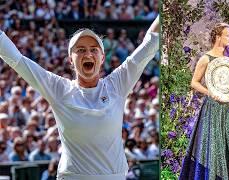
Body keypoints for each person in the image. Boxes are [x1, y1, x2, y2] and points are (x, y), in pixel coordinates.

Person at [0, 16, 159, 179]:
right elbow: (16, 59)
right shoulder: (59, 89)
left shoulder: (117, 84)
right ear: (70, 60)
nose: (88, 54)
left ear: (102, 58)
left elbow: (150, 43)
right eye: (81, 49)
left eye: (94, 49)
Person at [179, 23, 229, 179]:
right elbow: (194, 82)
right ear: (217, 37)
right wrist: (210, 92)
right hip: (213, 108)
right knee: (214, 146)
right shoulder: (206, 59)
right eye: (227, 35)